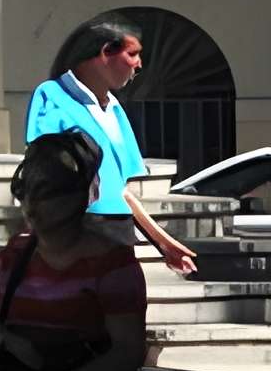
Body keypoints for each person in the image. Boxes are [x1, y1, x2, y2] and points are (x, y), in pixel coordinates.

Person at [0, 128, 152, 371]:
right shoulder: (13, 256)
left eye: (47, 193)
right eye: (27, 191)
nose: (32, 205)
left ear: (80, 195)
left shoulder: (113, 264)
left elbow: (128, 351)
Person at [24, 18, 196, 273]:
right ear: (106, 52)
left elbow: (120, 191)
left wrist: (164, 244)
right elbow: (44, 179)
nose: (139, 64)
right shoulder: (51, 96)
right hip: (73, 237)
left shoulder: (114, 109)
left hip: (118, 238)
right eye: (132, 54)